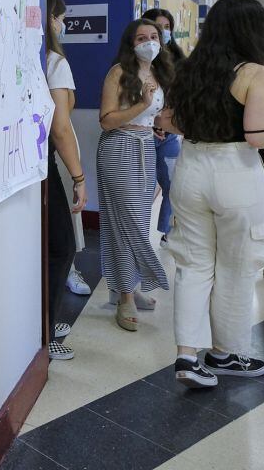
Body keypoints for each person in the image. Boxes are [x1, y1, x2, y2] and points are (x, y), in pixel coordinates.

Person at [158, 0, 264, 388]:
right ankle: (225, 353)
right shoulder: (255, 72)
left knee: (193, 264)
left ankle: (187, 357)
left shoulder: (190, 68)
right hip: (236, 173)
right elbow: (256, 136)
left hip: (191, 168)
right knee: (236, 266)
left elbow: (171, 122)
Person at [97, 18, 173, 332]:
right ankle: (125, 295)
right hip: (119, 149)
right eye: (142, 37)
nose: (149, 42)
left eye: (154, 36)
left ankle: (129, 286)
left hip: (145, 146)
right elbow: (107, 120)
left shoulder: (160, 72)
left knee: (139, 223)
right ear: (131, 43)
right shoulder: (118, 73)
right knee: (125, 224)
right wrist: (141, 104)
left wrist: (154, 124)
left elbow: (156, 114)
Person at [45, 0, 88, 360]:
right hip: (45, 165)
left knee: (44, 247)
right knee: (62, 247)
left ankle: (45, 317)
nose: (62, 24)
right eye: (60, 17)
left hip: (27, 164)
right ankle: (46, 330)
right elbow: (60, 128)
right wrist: (78, 177)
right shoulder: (55, 61)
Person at [142, 8, 185, 244]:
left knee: (174, 184)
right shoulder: (135, 63)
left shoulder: (179, 61)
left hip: (168, 135)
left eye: (167, 27)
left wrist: (167, 124)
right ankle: (139, 239)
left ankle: (169, 231)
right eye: (158, 27)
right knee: (143, 191)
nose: (162, 32)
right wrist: (152, 123)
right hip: (142, 136)